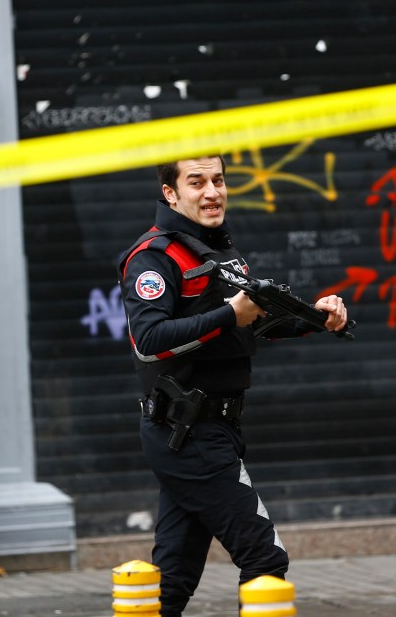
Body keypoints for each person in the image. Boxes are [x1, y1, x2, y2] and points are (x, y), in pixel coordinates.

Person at [117, 155, 349, 617]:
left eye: (219, 181)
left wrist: (317, 319)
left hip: (208, 431)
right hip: (189, 433)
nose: (212, 192)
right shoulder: (153, 258)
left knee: (172, 579)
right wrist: (230, 314)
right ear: (170, 193)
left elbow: (252, 322)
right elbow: (149, 342)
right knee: (265, 560)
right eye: (196, 182)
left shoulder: (217, 251)